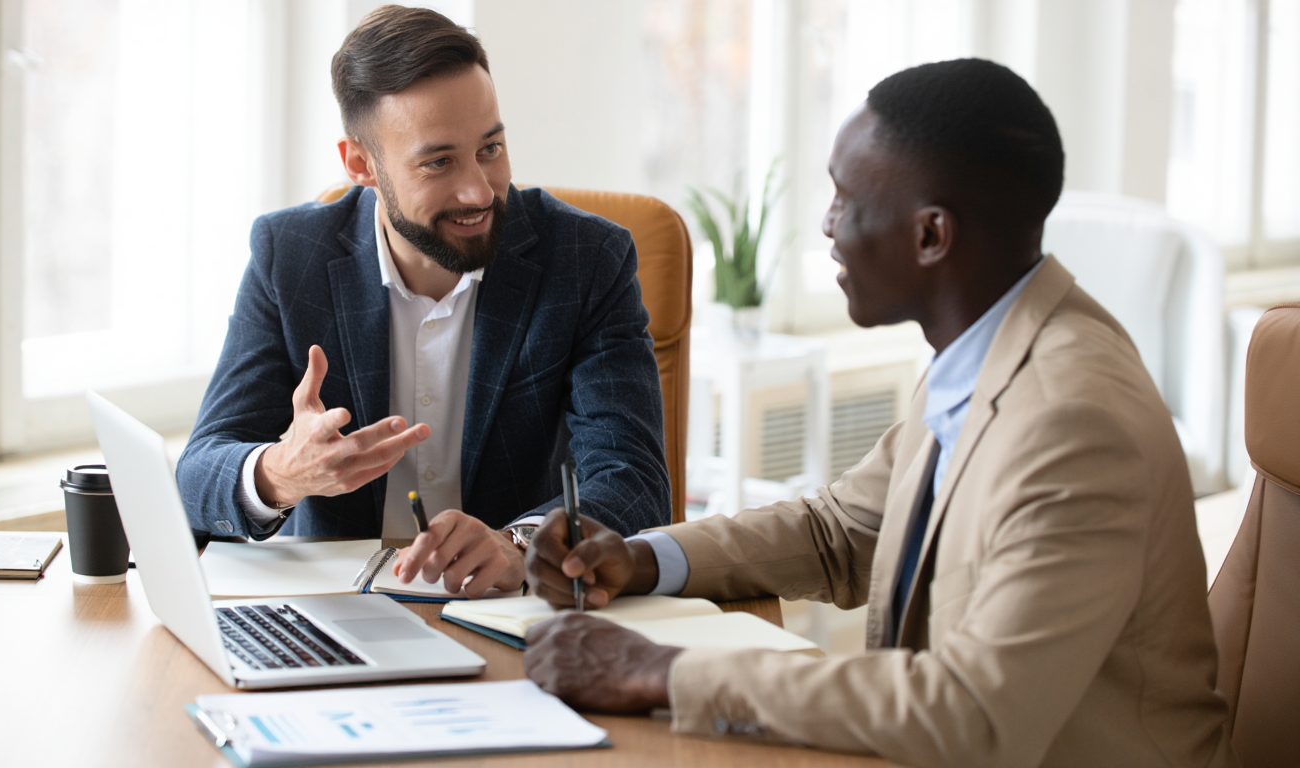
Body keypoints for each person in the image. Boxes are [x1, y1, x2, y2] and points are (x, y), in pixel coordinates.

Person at [522, 59, 1236, 767]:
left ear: (931, 236)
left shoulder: (1072, 422)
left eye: (843, 197)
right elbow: (841, 531)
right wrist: (642, 558)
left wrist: (660, 672)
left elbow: (975, 712)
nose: (826, 225)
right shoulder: (984, 348)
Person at [175, 5, 670, 599]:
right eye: (439, 161)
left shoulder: (587, 258)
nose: (479, 190)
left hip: (508, 614)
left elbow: (634, 481)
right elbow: (197, 474)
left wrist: (521, 544)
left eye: (490, 149)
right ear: (361, 163)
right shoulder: (290, 255)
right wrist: (281, 472)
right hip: (338, 614)